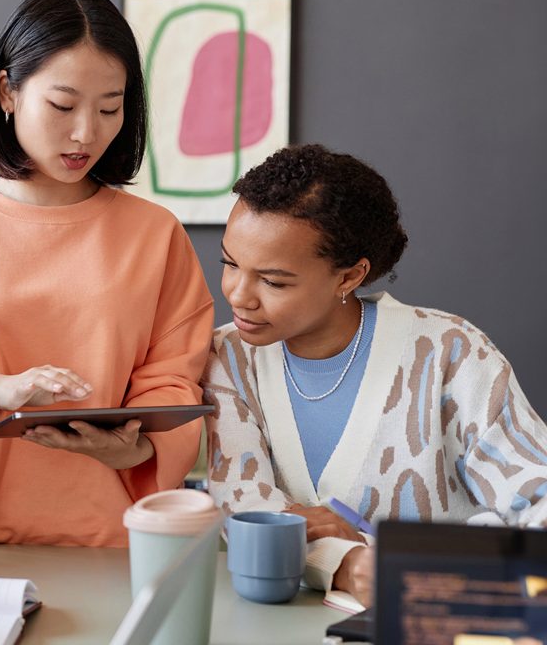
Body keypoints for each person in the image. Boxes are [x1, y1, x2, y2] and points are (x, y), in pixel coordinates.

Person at [0, 0, 214, 548]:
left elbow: (172, 380)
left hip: (113, 544)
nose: (87, 132)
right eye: (63, 106)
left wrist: (134, 448)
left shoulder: (156, 235)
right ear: (7, 92)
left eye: (111, 107)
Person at [203, 143, 547, 606]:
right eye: (229, 264)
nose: (238, 295)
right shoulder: (229, 358)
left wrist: (409, 560)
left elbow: (539, 496)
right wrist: (343, 565)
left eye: (273, 281)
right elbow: (246, 513)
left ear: (349, 277)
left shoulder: (449, 353)